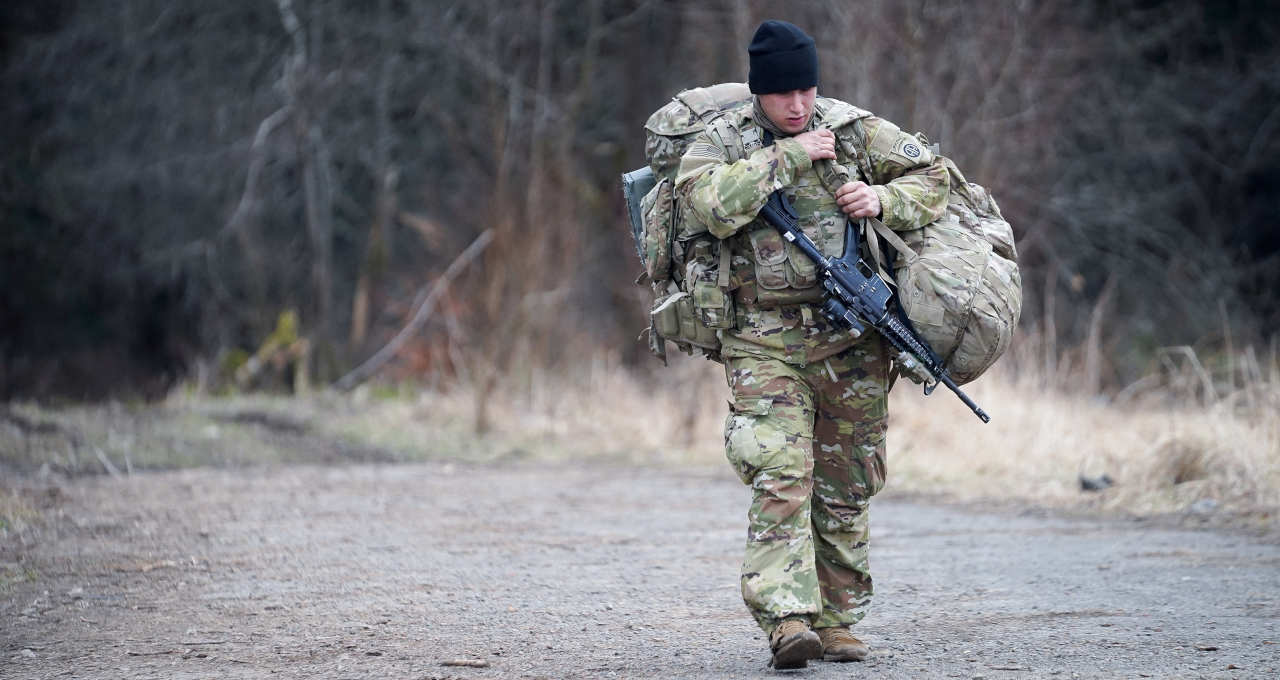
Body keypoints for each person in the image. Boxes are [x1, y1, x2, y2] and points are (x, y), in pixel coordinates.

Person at [675, 19, 950, 669]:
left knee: (848, 480)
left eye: (806, 89)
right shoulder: (721, 141)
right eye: (783, 94)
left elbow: (934, 179)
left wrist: (882, 200)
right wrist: (790, 157)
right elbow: (709, 204)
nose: (798, 105)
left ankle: (838, 620)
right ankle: (788, 618)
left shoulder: (853, 132)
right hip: (762, 336)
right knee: (780, 470)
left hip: (852, 337)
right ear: (757, 93)